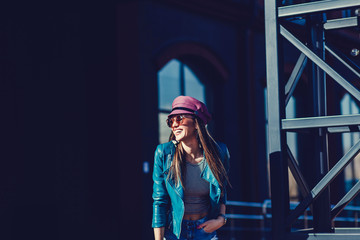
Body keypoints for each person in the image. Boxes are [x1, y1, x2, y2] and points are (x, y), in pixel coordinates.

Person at [152, 96, 231, 240]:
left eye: (180, 118)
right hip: (175, 232)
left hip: (205, 230)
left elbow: (222, 190)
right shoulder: (164, 153)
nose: (174, 125)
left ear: (196, 122)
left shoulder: (219, 152)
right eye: (171, 120)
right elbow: (159, 201)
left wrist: (221, 219)